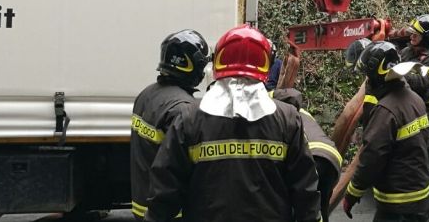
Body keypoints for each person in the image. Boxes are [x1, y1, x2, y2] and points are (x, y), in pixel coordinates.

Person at [144, 24, 321, 222]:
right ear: (266, 64)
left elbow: (164, 192)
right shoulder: (287, 119)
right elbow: (306, 193)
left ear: (218, 62)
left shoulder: (189, 118)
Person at [342, 42, 429, 222]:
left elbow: (372, 157)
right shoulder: (415, 100)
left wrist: (352, 193)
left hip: (396, 205)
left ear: (376, 75)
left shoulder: (386, 110)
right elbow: (426, 142)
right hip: (421, 199)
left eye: (368, 76)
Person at [130, 29, 209, 220]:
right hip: (170, 213)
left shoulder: (146, 94)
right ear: (193, 66)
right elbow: (179, 169)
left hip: (142, 205)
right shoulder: (183, 109)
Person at [273, 88, 342, 222]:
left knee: (301, 206)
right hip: (332, 159)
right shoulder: (303, 112)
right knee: (321, 208)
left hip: (312, 156)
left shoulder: (282, 116)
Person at [392, 15, 429, 129]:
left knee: (422, 144)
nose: (412, 36)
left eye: (416, 34)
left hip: (424, 111)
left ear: (426, 38)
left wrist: (396, 74)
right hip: (405, 106)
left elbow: (420, 82)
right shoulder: (406, 51)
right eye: (412, 32)